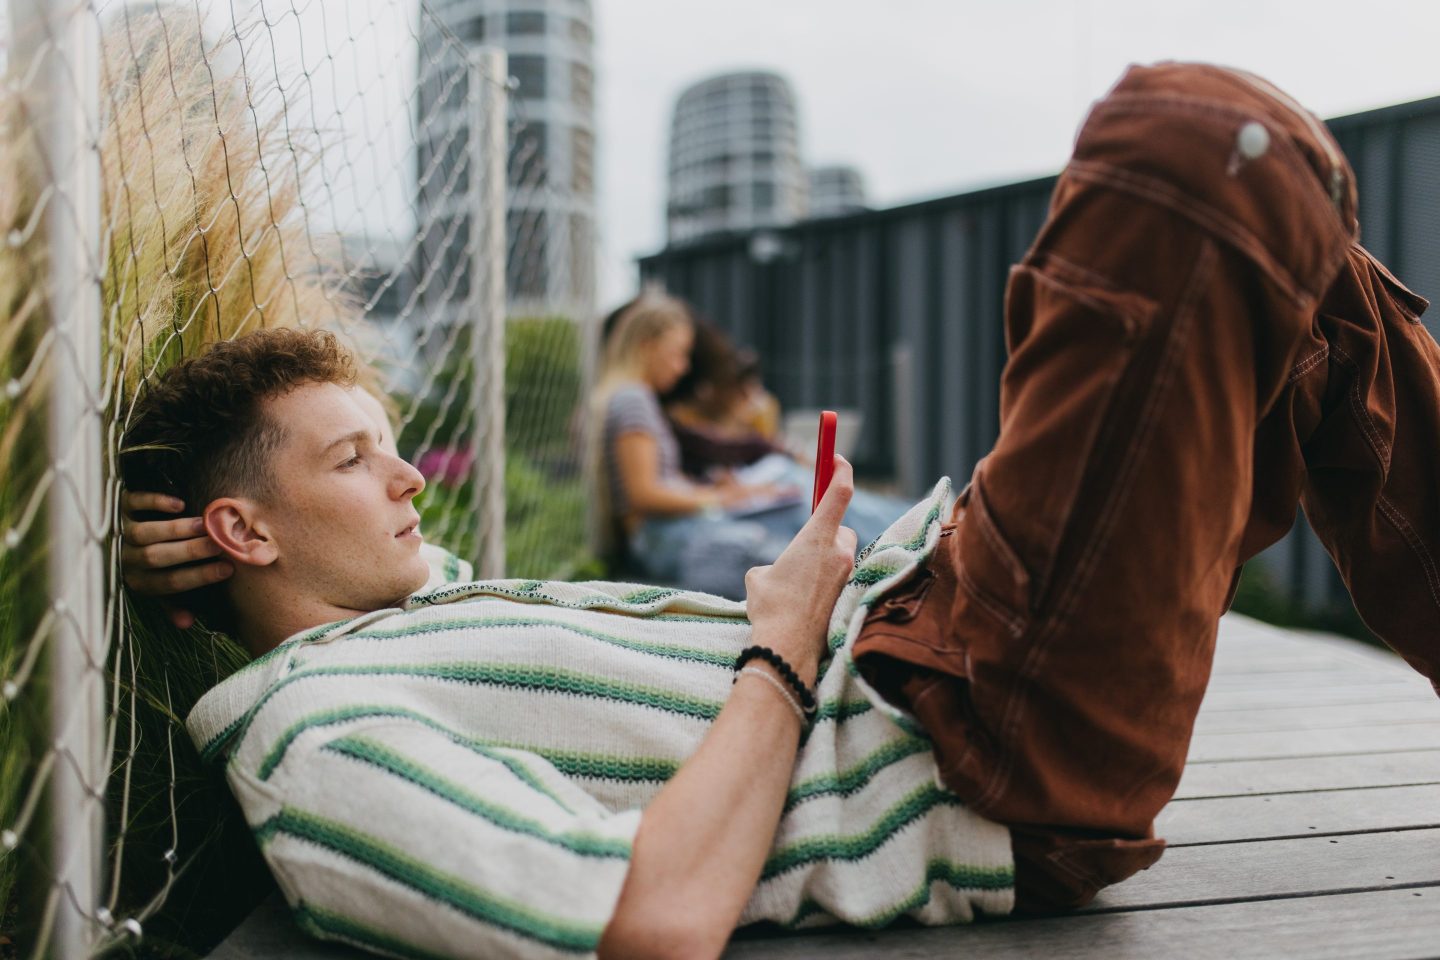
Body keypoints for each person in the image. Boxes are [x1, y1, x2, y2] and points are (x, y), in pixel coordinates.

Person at [116, 59, 1440, 955]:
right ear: (249, 527)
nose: (412, 478)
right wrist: (784, 641)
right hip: (975, 747)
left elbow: (290, 578)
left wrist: (192, 565)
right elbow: (650, 922)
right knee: (1204, 149)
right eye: (356, 460)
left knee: (1314, 292)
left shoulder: (406, 612)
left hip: (933, 632)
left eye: (393, 447)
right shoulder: (318, 739)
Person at [591, 292, 907, 597]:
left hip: (671, 529)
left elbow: (662, 480)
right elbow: (643, 494)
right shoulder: (633, 400)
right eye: (676, 353)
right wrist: (718, 498)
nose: (683, 366)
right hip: (663, 536)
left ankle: (902, 533)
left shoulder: (635, 398)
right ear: (646, 346)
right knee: (793, 518)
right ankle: (902, 537)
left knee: (791, 499)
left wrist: (715, 488)